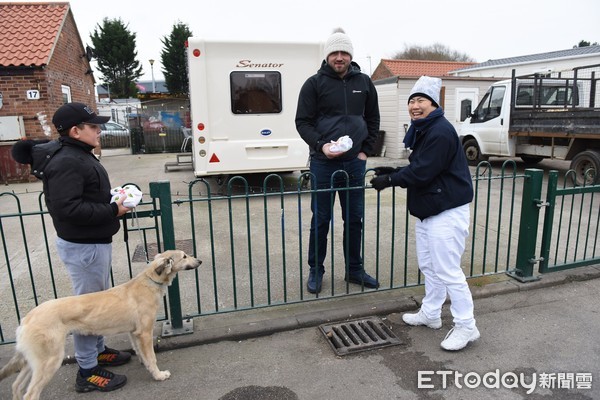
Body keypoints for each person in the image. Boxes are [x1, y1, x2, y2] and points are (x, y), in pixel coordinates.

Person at [16, 102, 133, 392]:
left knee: (96, 305)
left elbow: (85, 195)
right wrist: (112, 211)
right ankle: (88, 370)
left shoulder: (78, 154)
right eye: (94, 127)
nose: (99, 131)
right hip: (85, 246)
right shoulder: (68, 160)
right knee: (86, 312)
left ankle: (97, 349)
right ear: (75, 131)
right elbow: (68, 209)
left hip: (92, 243)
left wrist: (111, 198)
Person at [370, 76, 480, 351]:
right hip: (430, 210)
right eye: (412, 101)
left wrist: (392, 179)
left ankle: (467, 325)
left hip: (447, 211)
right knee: (430, 266)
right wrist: (394, 172)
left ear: (434, 104)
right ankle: (431, 313)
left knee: (448, 270)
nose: (415, 106)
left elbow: (423, 171)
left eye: (421, 101)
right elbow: (420, 166)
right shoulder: (424, 129)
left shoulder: (440, 131)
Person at [295, 28, 380, 294]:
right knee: (321, 219)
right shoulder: (314, 84)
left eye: (344, 52)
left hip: (355, 163)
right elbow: (302, 122)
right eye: (335, 53)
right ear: (327, 56)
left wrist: (365, 151)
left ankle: (354, 269)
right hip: (323, 163)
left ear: (350, 56)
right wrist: (321, 145)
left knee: (354, 218)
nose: (339, 57)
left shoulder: (364, 82)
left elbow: (373, 119)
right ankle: (316, 270)